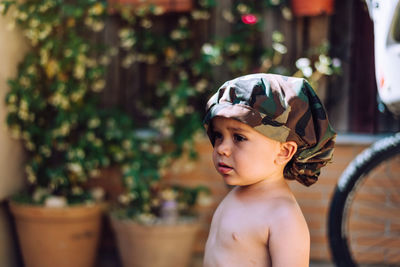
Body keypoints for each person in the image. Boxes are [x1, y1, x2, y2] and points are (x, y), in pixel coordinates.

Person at [202, 73, 336, 267]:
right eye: (218, 135)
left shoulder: (283, 216)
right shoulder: (238, 194)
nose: (221, 148)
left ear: (284, 152)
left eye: (239, 138)